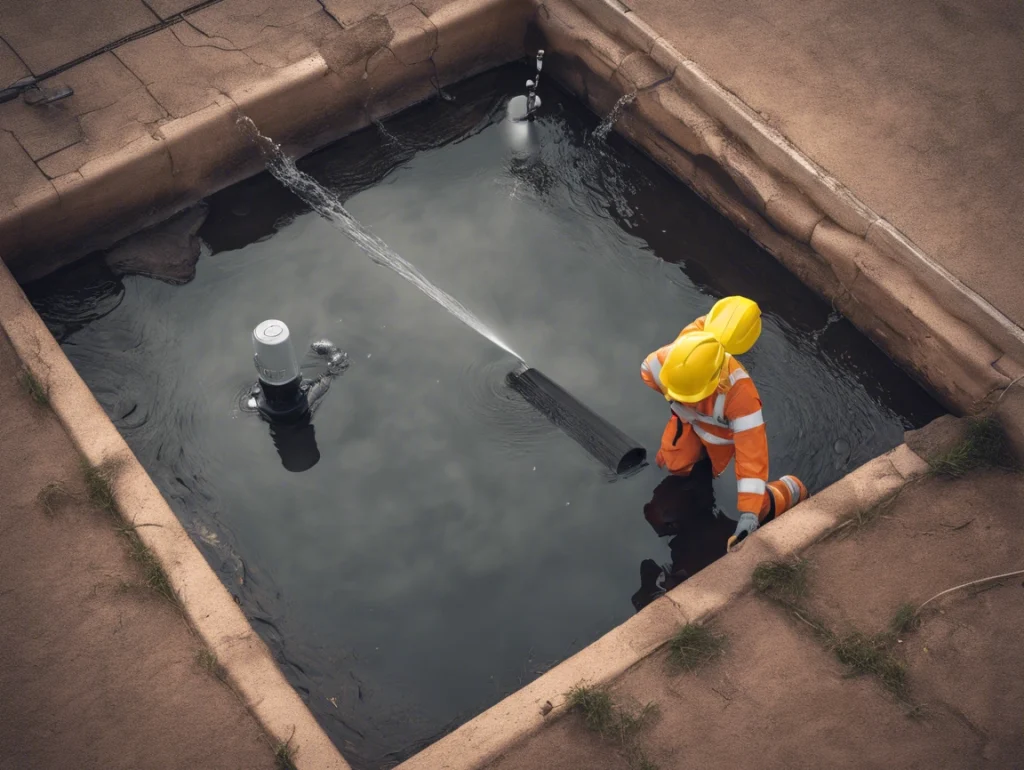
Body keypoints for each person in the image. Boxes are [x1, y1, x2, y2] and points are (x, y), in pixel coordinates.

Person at [640, 296, 808, 546]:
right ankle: (694, 454)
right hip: (689, 423)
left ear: (713, 384)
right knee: (676, 463)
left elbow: (752, 453)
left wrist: (750, 513)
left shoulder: (741, 396)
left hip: (723, 438)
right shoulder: (664, 362)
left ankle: (788, 490)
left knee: (756, 504)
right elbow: (651, 375)